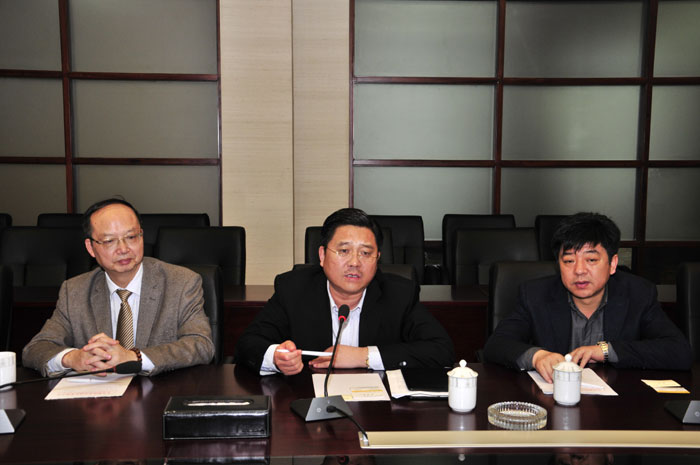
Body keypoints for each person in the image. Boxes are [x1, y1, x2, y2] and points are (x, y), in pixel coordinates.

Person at [235, 208, 454, 375]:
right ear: (322, 256)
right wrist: (276, 357)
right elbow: (248, 344)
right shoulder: (293, 289)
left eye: (365, 253)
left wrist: (363, 356)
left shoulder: (399, 294)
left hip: (378, 410)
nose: (354, 262)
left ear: (377, 259)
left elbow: (441, 350)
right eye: (344, 251)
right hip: (309, 404)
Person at [484, 212, 692, 382]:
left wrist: (606, 351)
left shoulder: (638, 294)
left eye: (591, 260)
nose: (579, 270)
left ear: (612, 264)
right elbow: (496, 345)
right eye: (569, 261)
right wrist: (538, 356)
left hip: (618, 406)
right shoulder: (535, 295)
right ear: (558, 265)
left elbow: (679, 352)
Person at [22, 198, 214, 376]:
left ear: (141, 236)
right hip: (99, 397)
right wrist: (73, 358)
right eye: (109, 241)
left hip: (159, 394)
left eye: (131, 237)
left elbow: (200, 344)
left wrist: (134, 357)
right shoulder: (74, 291)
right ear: (90, 247)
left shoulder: (181, 283)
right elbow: (35, 349)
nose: (123, 249)